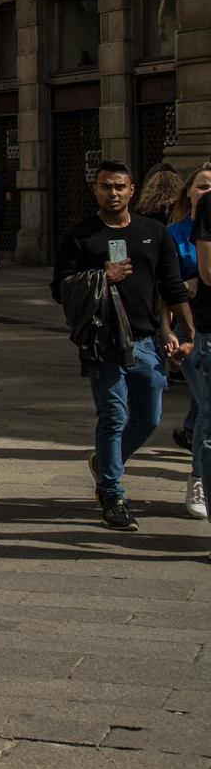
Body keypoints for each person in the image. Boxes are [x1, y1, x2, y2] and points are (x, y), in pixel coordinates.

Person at [53, 160, 192, 532]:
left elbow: (172, 285)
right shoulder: (80, 237)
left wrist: (188, 333)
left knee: (148, 419)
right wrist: (102, 275)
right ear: (94, 190)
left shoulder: (154, 232)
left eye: (119, 187)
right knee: (112, 417)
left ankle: (104, 464)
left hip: (147, 342)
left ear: (132, 190)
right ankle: (113, 494)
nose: (112, 193)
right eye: (105, 187)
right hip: (104, 341)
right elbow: (59, 288)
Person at [173, 164, 211, 517]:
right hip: (192, 328)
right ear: (188, 191)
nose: (206, 192)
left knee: (202, 407)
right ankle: (198, 478)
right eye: (201, 186)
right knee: (204, 406)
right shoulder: (175, 232)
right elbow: (166, 284)